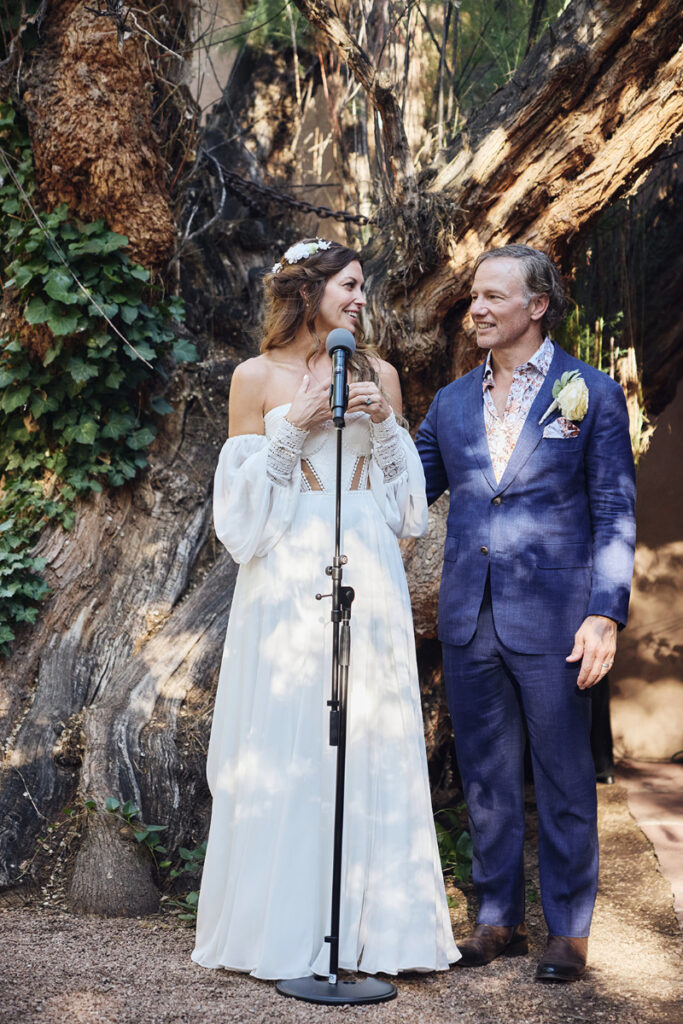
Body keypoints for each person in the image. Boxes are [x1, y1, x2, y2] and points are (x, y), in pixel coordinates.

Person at [192, 238, 458, 980]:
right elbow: (238, 522)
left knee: (367, 734)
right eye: (348, 285)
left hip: (366, 564)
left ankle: (376, 935)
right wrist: (292, 425)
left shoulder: (382, 375)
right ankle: (282, 932)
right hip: (284, 571)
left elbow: (408, 511)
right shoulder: (254, 378)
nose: (359, 300)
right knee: (294, 739)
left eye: (362, 287)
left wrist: (391, 429)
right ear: (309, 292)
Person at [415, 244, 636, 983]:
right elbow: (406, 487)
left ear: (535, 306)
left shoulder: (591, 393)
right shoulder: (448, 403)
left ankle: (568, 931)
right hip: (469, 618)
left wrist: (603, 615)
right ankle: (496, 919)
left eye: (491, 298)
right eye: (473, 296)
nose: (475, 308)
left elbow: (612, 512)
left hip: (556, 619)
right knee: (485, 776)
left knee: (565, 776)